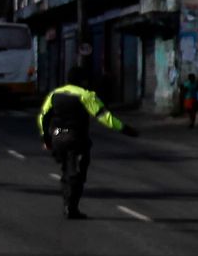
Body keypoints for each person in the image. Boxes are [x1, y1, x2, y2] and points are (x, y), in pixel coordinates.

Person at [37, 68, 137, 219]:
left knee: (65, 170)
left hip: (57, 135)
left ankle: (66, 203)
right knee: (77, 174)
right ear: (82, 80)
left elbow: (43, 117)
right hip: (75, 136)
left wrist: (46, 139)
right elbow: (104, 117)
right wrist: (125, 129)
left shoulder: (55, 94)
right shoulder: (86, 95)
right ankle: (72, 207)